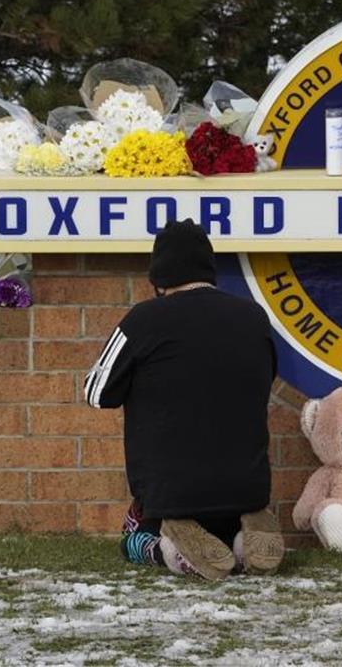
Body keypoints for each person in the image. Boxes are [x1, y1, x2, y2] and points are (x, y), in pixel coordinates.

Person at [84, 218, 283, 579]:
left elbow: (96, 393)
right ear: (209, 269)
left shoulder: (143, 320)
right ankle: (243, 542)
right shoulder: (254, 318)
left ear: (158, 278)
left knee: (132, 536)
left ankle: (169, 549)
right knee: (227, 528)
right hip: (246, 488)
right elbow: (266, 378)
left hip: (171, 490)